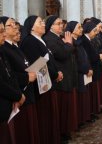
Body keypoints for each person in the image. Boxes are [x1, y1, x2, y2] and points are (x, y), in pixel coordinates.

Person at [20, 15, 63, 144]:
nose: (44, 24)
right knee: (44, 117)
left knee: (50, 116)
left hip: (48, 82)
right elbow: (36, 64)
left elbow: (47, 59)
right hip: (40, 86)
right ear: (32, 27)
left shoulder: (40, 39)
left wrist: (56, 73)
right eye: (40, 22)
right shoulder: (29, 41)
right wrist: (55, 75)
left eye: (44, 22)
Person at [43, 15, 78, 142]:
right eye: (58, 24)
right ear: (51, 26)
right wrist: (68, 44)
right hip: (60, 80)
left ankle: (65, 131)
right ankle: (61, 133)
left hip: (66, 77)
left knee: (66, 109)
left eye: (61, 23)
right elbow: (62, 54)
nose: (61, 26)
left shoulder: (57, 38)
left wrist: (66, 45)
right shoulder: (49, 39)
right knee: (61, 110)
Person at [0, 20, 25, 144]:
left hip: (9, 103)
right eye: (1, 32)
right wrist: (17, 95)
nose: (4, 34)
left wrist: (17, 94)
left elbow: (10, 75)